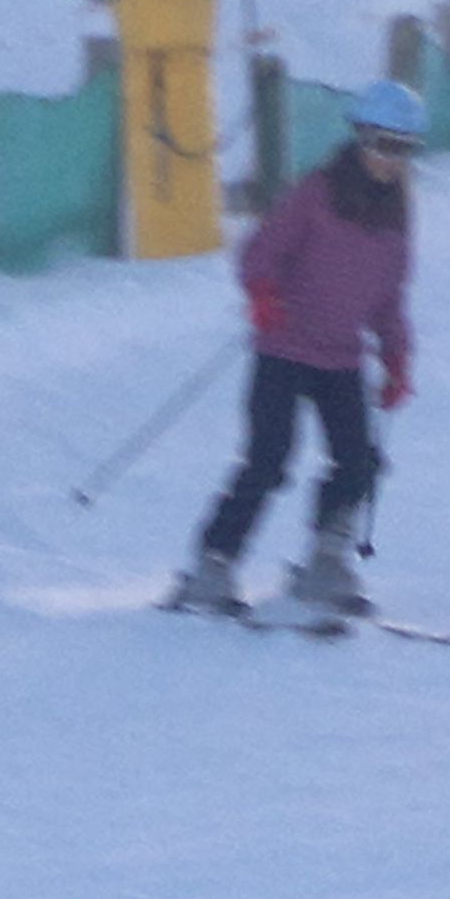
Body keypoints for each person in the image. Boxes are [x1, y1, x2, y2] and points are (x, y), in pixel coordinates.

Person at [173, 80, 424, 618]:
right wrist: (263, 294)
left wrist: (397, 357)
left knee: (358, 461)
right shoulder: (315, 194)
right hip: (284, 349)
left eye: (402, 149)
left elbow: (388, 297)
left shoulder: (396, 216)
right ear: (360, 139)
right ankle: (213, 565)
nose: (389, 160)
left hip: (341, 358)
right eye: (382, 144)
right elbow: (261, 252)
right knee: (269, 457)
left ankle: (326, 561)